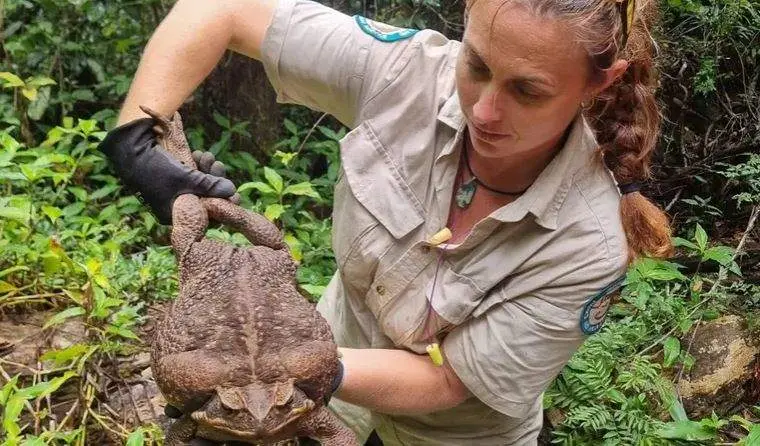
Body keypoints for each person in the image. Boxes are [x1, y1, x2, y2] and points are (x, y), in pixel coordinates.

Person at [99, 0, 674, 443]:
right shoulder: (407, 74)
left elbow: (450, 381)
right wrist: (135, 145)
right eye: (476, 65)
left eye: (528, 91)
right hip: (317, 365)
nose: (485, 109)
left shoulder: (590, 242)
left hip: (450, 430)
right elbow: (220, 9)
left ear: (600, 81)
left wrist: (285, 370)